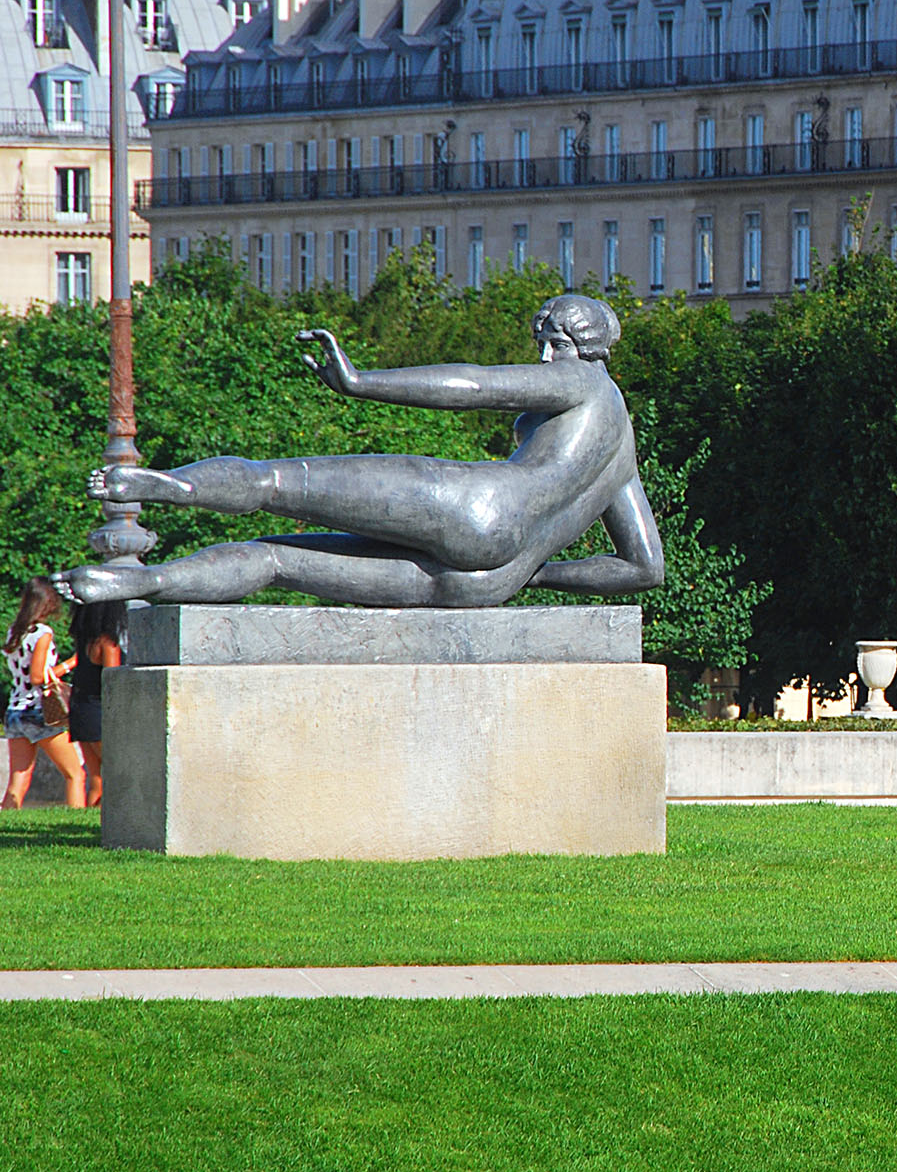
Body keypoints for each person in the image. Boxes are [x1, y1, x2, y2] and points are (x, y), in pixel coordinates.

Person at [54, 294, 664, 609]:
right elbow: (643, 569)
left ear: (580, 347)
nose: (542, 358)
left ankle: (164, 486)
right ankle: (144, 582)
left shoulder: (583, 381)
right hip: (493, 580)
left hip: (473, 505)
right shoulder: (623, 452)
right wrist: (538, 572)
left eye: (550, 342)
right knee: (276, 565)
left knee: (276, 484)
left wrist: (361, 381)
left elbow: (475, 385)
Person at [4, 578, 85, 809]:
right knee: (75, 774)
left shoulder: (14, 632)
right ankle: (75, 820)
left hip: (15, 710)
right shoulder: (43, 633)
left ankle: (7, 824)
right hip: (38, 711)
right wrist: (71, 663)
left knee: (18, 780)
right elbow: (38, 677)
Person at [65, 599, 127, 809]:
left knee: (96, 778)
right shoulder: (107, 642)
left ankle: (92, 816)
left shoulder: (85, 640)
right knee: (118, 770)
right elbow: (113, 682)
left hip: (80, 708)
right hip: (100, 712)